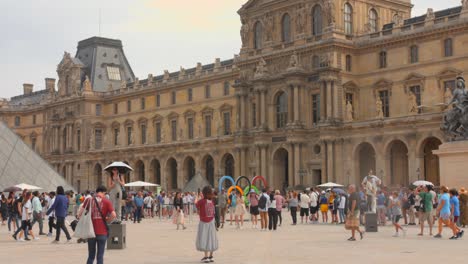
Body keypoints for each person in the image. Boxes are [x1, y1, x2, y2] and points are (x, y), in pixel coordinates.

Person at [78, 185, 116, 264]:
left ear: (96, 191)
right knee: (100, 255)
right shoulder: (106, 201)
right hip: (102, 232)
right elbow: (114, 215)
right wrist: (107, 221)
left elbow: (79, 214)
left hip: (91, 231)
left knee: (91, 255)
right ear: (104, 192)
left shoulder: (89, 200)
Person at [196, 186, 218, 263]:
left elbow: (196, 205)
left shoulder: (202, 201)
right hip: (211, 221)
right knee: (211, 238)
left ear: (204, 193)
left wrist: (198, 197)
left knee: (204, 238)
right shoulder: (212, 201)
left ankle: (206, 257)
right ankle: (211, 256)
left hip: (203, 222)